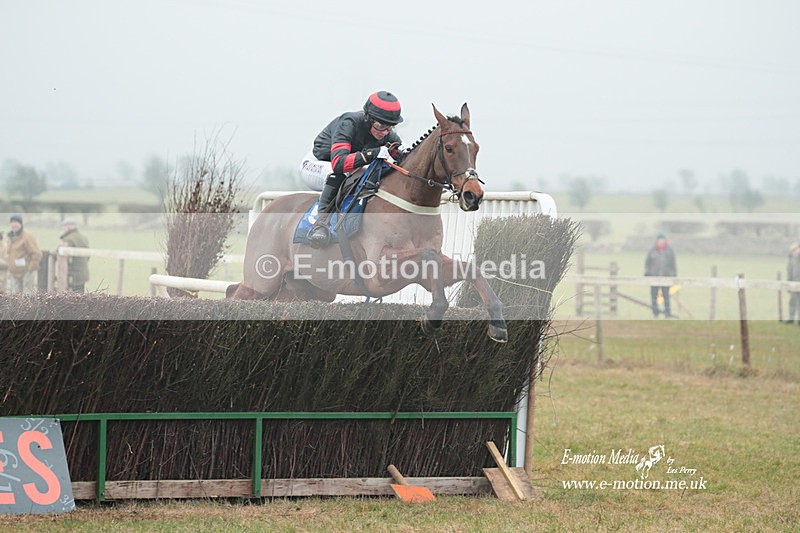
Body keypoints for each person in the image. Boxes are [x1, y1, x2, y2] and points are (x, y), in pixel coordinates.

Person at [300, 90, 404, 248]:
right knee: (337, 174)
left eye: (390, 127)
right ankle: (320, 225)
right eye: (380, 125)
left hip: (349, 169)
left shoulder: (388, 135)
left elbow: (400, 159)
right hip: (316, 165)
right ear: (369, 118)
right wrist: (372, 154)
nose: (384, 132)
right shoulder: (348, 123)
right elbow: (338, 164)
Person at [6, 214, 42, 294]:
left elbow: (36, 253)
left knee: (27, 297)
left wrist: (31, 268)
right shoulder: (11, 237)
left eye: (16, 222)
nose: (14, 225)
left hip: (27, 272)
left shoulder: (27, 236)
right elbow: (9, 253)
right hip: (14, 272)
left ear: (21, 224)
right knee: (16, 298)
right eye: (12, 222)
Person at [644, 232, 677, 318]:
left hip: (666, 277)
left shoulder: (669, 251)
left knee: (666, 296)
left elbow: (673, 264)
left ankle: (667, 313)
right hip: (654, 277)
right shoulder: (652, 251)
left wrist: (673, 276)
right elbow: (647, 263)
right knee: (654, 296)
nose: (661, 242)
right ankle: (655, 313)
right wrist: (647, 274)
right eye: (659, 240)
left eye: (662, 240)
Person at [58, 217, 90, 293]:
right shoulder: (83, 237)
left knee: (72, 298)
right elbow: (88, 256)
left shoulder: (68, 239)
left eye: (64, 226)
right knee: (80, 296)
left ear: (68, 227)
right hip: (83, 272)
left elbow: (64, 257)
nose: (64, 228)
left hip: (73, 273)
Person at [786, 242, 800, 325]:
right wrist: (788, 284)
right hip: (793, 284)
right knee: (792, 301)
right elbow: (789, 272)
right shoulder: (791, 259)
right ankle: (791, 319)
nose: (795, 251)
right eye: (793, 250)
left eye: (796, 249)